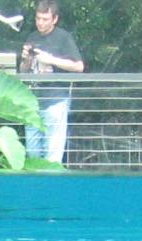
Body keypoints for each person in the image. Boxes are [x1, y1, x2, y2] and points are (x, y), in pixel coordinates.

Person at [17, 0, 86, 164]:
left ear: (54, 19)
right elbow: (23, 71)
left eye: (45, 19)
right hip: (32, 102)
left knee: (53, 155)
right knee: (32, 152)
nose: (40, 23)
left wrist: (51, 60)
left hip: (56, 100)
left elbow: (79, 66)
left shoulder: (63, 37)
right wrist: (26, 59)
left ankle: (51, 187)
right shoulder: (31, 37)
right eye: (38, 18)